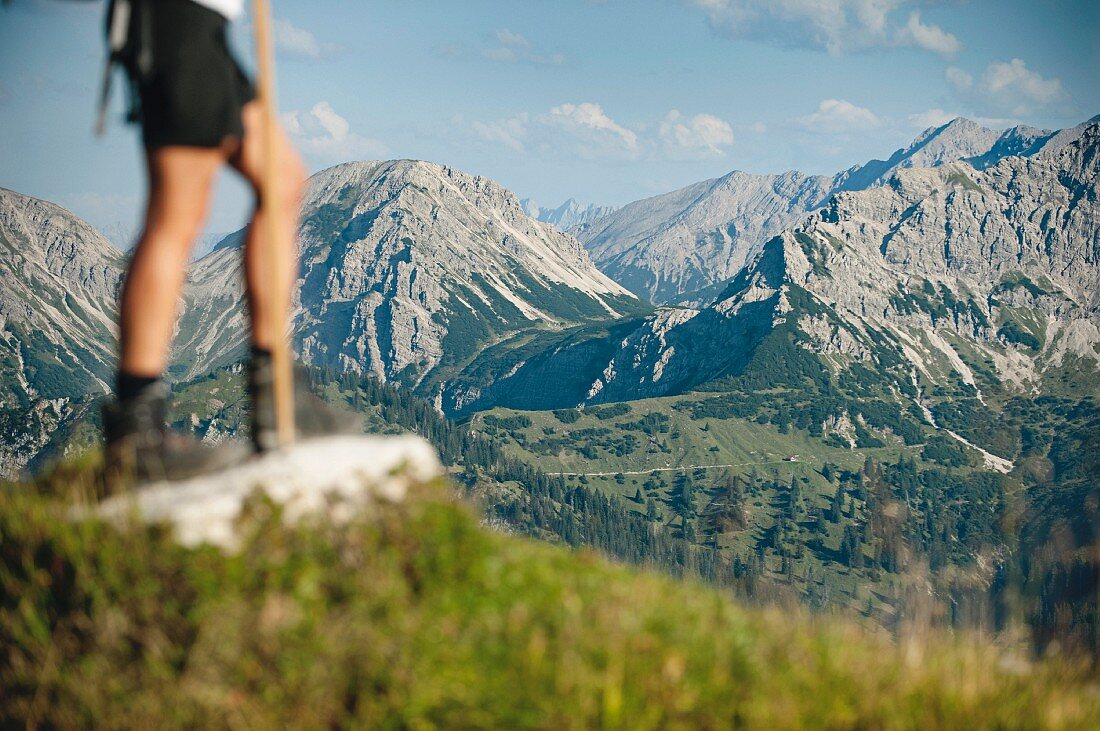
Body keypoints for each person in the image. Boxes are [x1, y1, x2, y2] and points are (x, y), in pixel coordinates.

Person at [103, 0, 307, 482]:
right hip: (174, 18)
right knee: (176, 212)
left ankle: (275, 393)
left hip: (204, 28)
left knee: (283, 178)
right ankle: (136, 428)